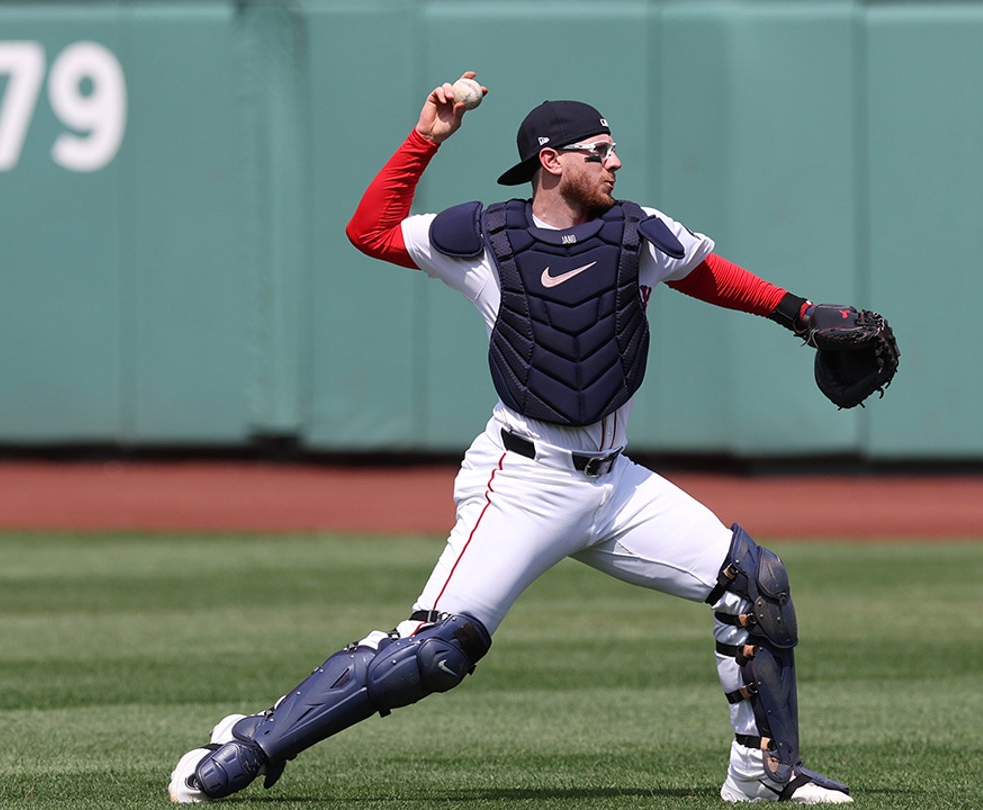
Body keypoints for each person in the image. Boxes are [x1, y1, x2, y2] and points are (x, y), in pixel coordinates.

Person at [167, 71, 855, 805]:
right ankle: (248, 744)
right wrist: (427, 136)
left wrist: (800, 312)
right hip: (523, 480)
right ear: (550, 160)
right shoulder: (485, 235)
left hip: (614, 484)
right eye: (599, 151)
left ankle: (766, 775)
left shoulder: (639, 231)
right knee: (432, 652)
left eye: (614, 149)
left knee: (756, 584)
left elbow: (706, 274)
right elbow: (368, 230)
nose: (614, 162)